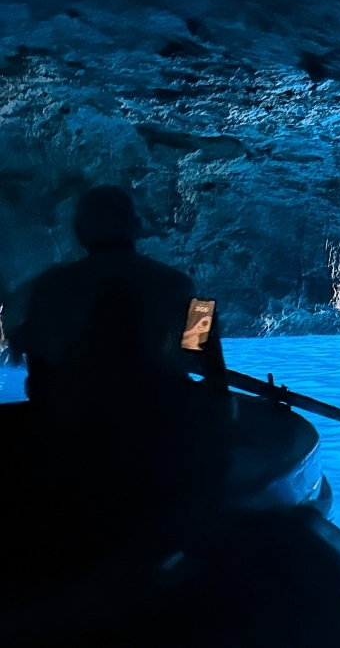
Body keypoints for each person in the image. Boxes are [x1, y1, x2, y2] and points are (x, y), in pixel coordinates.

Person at [2, 186, 231, 595]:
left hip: (69, 443)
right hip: (158, 441)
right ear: (136, 228)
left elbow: (36, 376)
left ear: (77, 231)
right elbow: (210, 369)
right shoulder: (180, 285)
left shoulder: (46, 289)